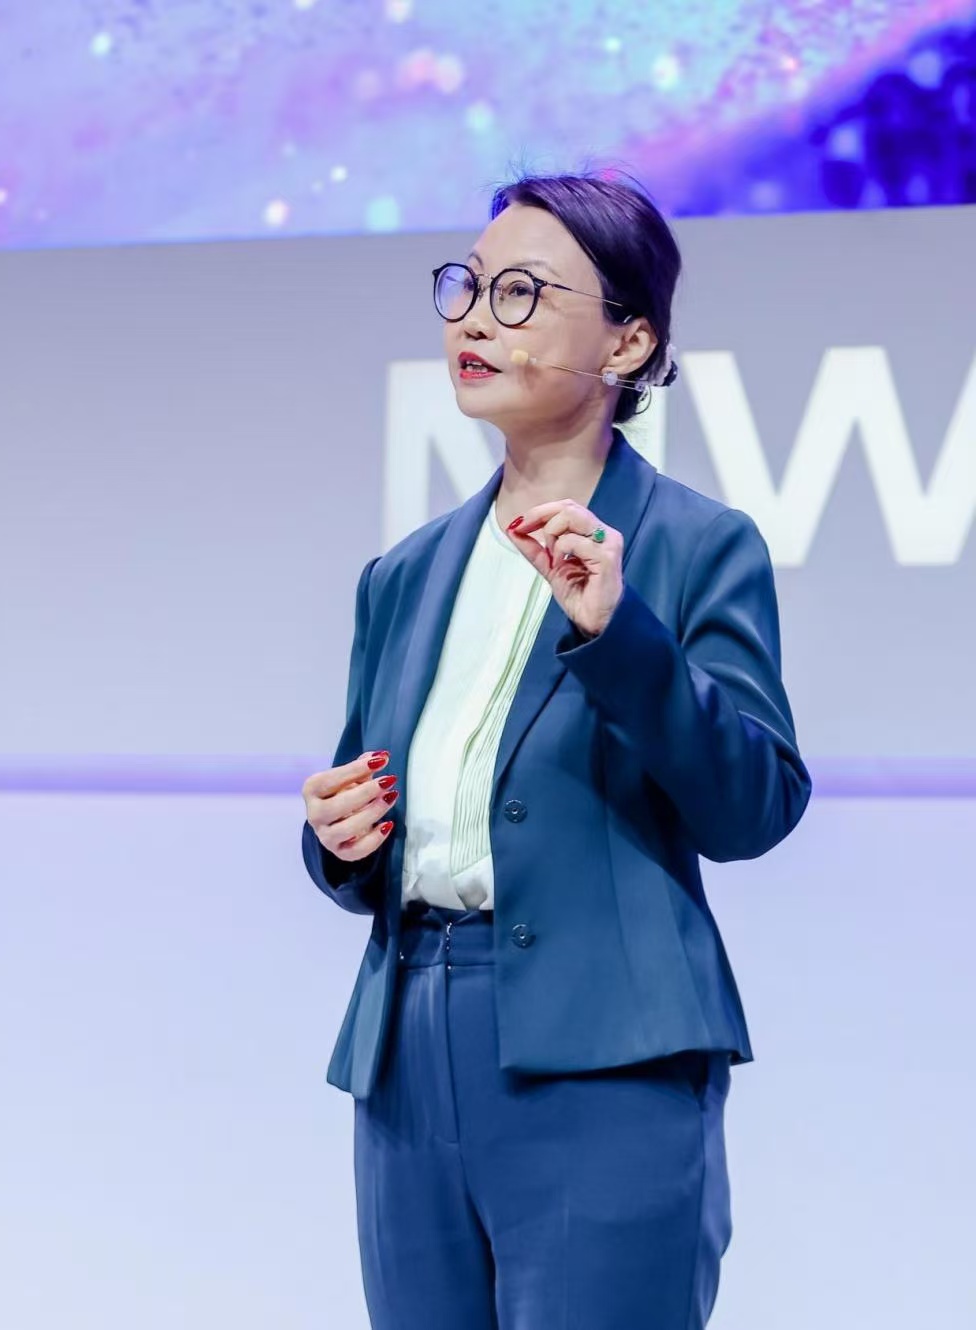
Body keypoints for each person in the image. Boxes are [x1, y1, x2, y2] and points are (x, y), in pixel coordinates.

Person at [301, 169, 811, 1330]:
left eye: (522, 293)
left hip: (606, 1052)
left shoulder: (694, 545)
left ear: (628, 341)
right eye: (467, 286)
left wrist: (618, 634)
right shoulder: (402, 575)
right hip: (406, 1052)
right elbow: (371, 813)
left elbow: (754, 806)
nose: (476, 320)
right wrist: (337, 838)